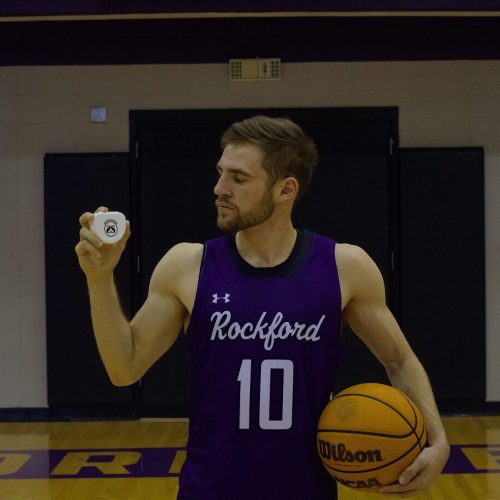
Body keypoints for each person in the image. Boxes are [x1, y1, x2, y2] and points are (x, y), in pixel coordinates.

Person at [75, 115, 450, 499]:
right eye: (220, 173)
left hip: (306, 491)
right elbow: (124, 367)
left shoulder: (344, 266)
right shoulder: (187, 265)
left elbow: (399, 361)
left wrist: (438, 441)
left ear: (285, 189)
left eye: (239, 179)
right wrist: (100, 279)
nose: (219, 188)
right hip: (209, 490)